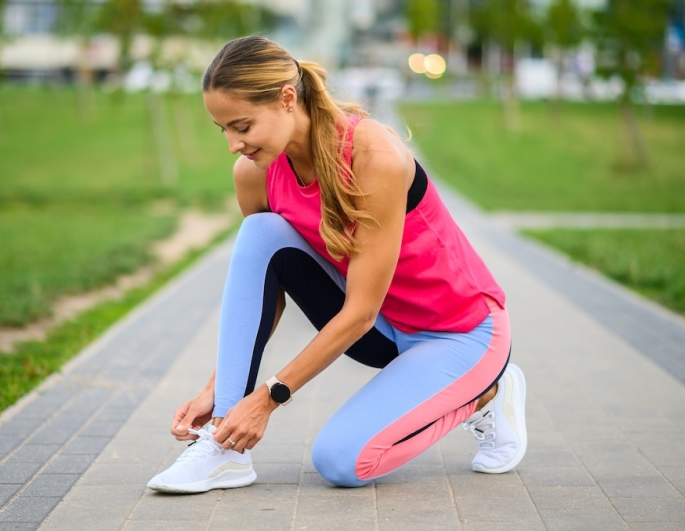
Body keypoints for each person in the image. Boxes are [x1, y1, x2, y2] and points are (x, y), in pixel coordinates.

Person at [147, 36, 527, 493]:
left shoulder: (374, 156)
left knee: (341, 463)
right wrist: (220, 390)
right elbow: (266, 294)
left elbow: (360, 311)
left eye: (242, 126)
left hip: (459, 332)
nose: (233, 144)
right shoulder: (254, 173)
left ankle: (486, 392)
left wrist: (269, 397)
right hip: (382, 331)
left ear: (287, 99)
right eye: (222, 128)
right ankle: (224, 450)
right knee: (259, 234)